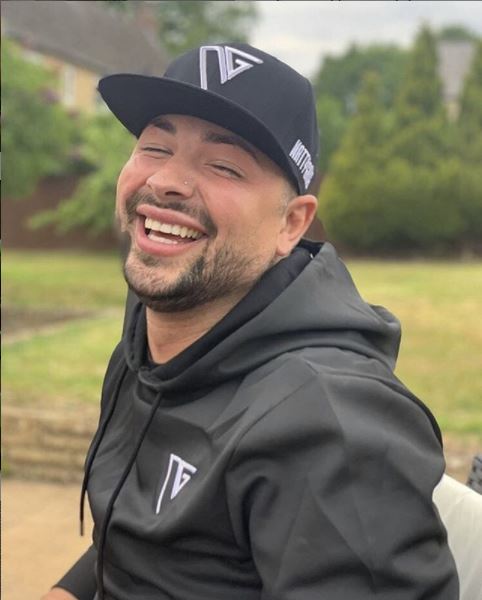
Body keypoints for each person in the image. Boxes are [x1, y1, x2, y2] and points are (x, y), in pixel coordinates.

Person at [42, 42, 459, 600]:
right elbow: (142, 536)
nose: (166, 181)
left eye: (223, 166)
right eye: (155, 146)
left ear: (292, 225)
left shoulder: (328, 425)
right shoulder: (148, 343)